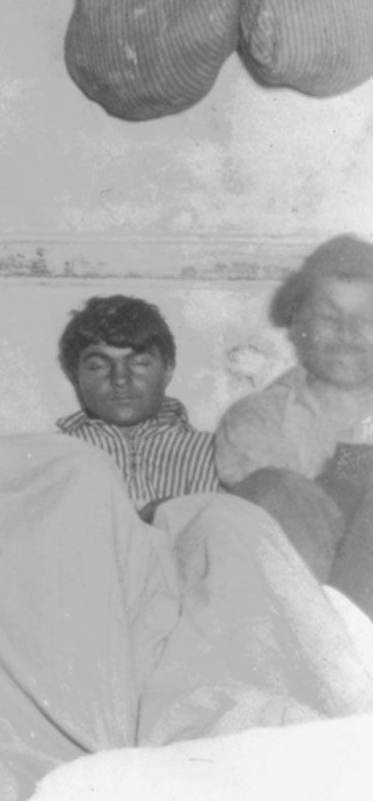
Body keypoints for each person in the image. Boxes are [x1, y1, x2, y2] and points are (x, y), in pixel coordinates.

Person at [214, 234, 373, 609]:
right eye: (328, 317)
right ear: (298, 323)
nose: (346, 334)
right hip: (301, 606)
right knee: (275, 488)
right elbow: (286, 526)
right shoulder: (256, 419)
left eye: (367, 319)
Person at [55, 294, 220, 516]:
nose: (120, 379)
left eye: (140, 362)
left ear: (168, 369)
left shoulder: (216, 453)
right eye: (98, 366)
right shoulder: (55, 456)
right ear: (74, 375)